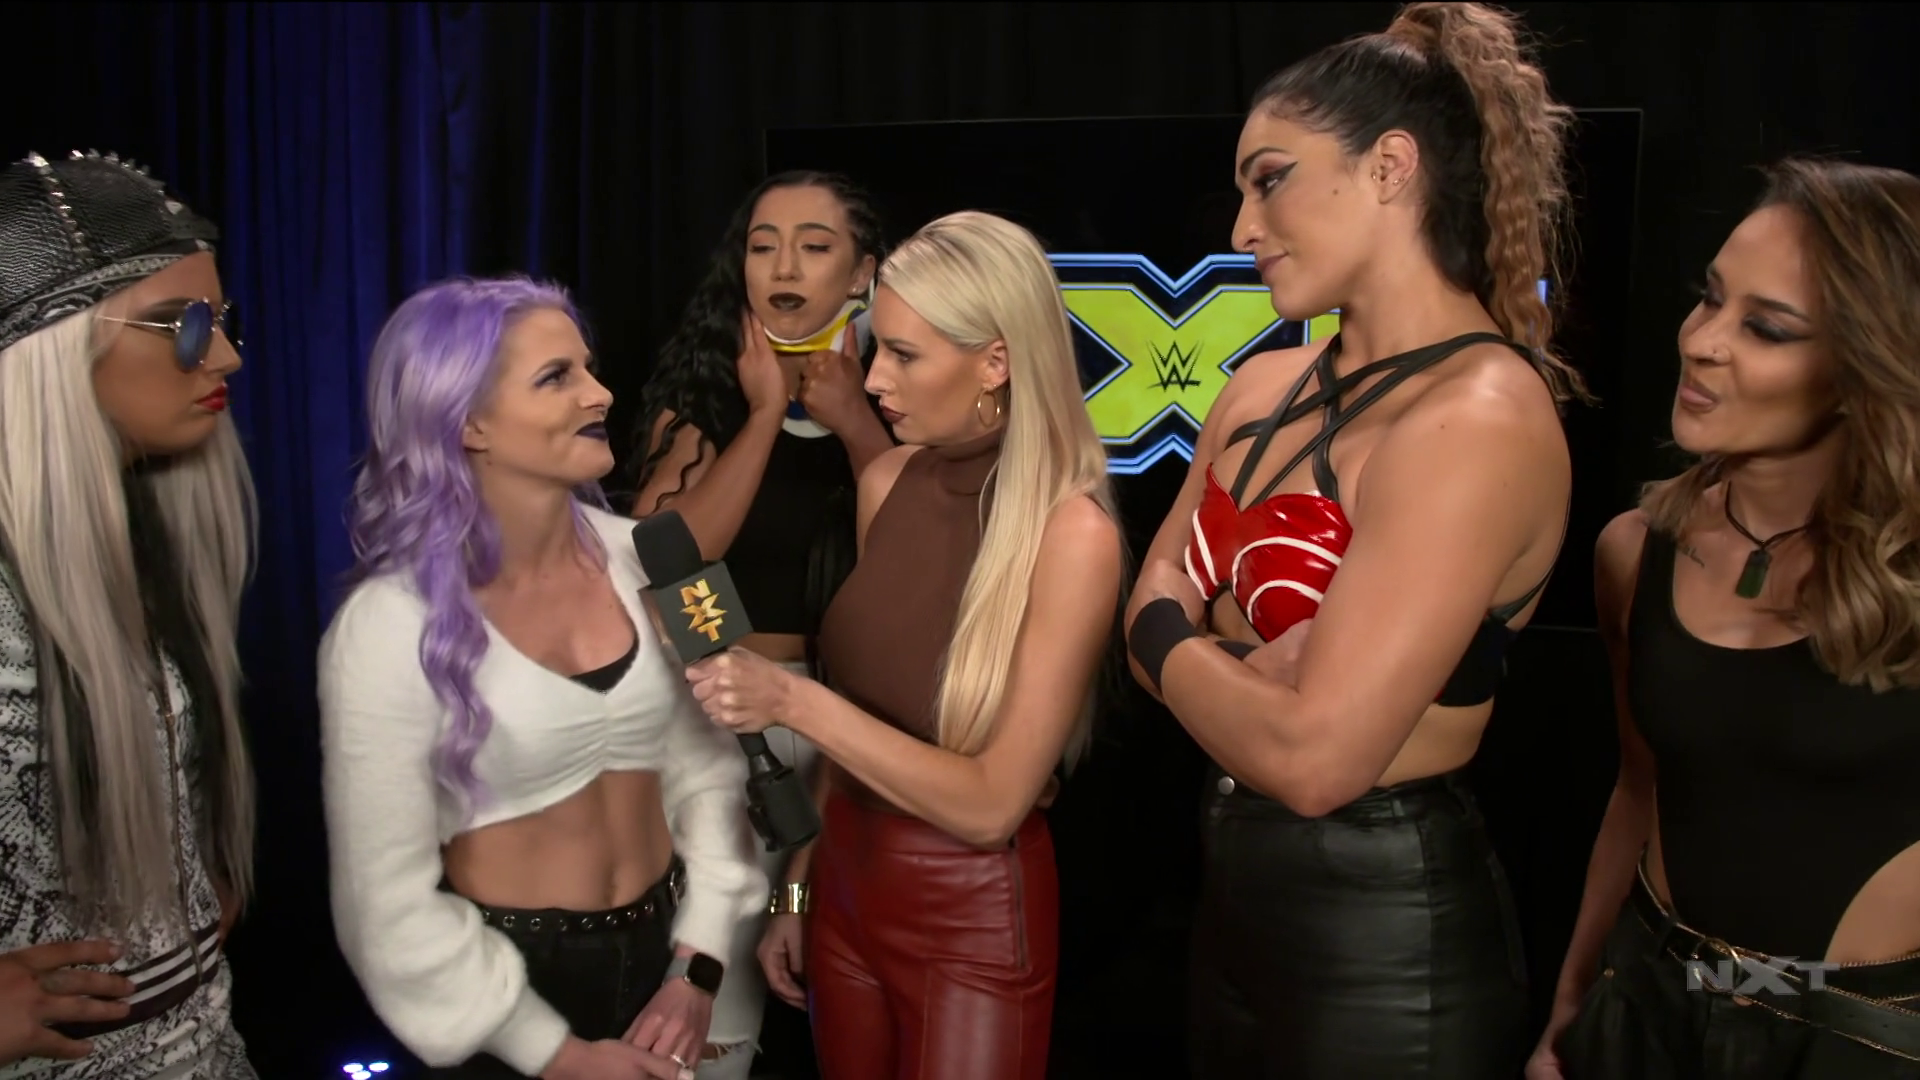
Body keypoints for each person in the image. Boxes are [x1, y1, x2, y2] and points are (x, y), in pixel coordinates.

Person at [1121, 3, 1583, 1076]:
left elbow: (1316, 760)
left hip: (1386, 951)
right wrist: (1241, 668)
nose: (1241, 230)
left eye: (1270, 180)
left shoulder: (1476, 415)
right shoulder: (1261, 385)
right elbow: (1149, 602)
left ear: (1389, 168)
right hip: (1228, 920)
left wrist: (1170, 636)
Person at [683, 210, 1124, 1080]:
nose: (874, 377)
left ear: (995, 361)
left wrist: (793, 700)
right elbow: (857, 740)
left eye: (904, 355)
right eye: (875, 345)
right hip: (844, 891)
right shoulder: (884, 483)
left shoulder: (1072, 534)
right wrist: (798, 890)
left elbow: (992, 805)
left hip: (969, 918)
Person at [1528, 158, 1920, 1079]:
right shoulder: (1634, 551)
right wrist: (1569, 1013)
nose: (1701, 342)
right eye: (1709, 298)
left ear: (1868, 363)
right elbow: (1638, 792)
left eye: (1766, 327)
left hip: (1858, 1042)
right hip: (1649, 1012)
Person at [318, 277, 766, 1080]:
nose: (601, 393)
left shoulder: (655, 557)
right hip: (502, 1001)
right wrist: (552, 1053)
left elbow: (716, 772)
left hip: (663, 967)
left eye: (588, 368)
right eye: (557, 377)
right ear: (469, 421)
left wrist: (698, 966)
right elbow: (383, 903)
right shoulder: (387, 625)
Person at [625, 171, 891, 1078]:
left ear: (863, 273)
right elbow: (664, 560)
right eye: (763, 244)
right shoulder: (705, 401)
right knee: (702, 1012)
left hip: (848, 737)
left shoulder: (900, 406)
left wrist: (855, 426)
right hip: (711, 714)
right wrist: (768, 413)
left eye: (815, 246)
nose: (783, 266)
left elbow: (919, 570)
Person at [0, 150, 258, 1076]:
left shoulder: (137, 552)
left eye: (221, 320)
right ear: (56, 348)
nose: (223, 355)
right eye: (183, 325)